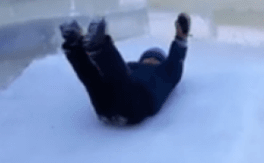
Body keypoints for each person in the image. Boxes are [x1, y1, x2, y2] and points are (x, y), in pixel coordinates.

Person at [60, 13, 191, 126]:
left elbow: (176, 59)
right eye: (148, 57)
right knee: (93, 79)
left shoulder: (166, 72)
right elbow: (110, 69)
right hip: (105, 109)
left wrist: (181, 37)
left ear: (161, 62)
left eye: (155, 59)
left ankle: (99, 46)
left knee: (120, 79)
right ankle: (73, 45)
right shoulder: (131, 66)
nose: (150, 60)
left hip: (137, 105)